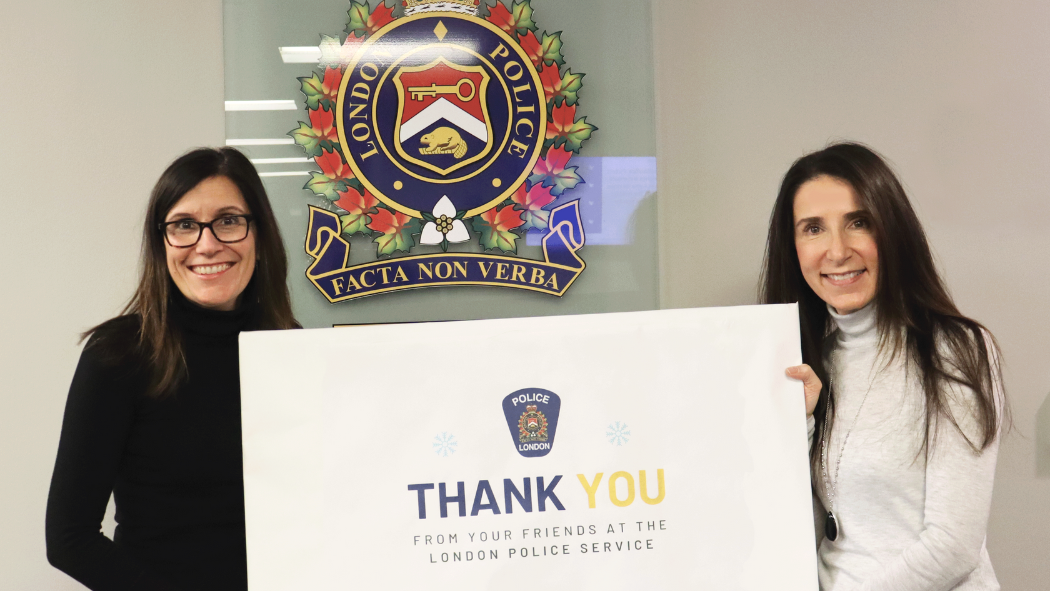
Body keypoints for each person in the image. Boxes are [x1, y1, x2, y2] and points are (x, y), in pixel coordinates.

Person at [46, 147, 298, 590]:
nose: (207, 243)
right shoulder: (120, 354)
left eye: (228, 220)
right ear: (162, 243)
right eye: (184, 225)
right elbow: (69, 539)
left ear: (259, 235)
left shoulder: (294, 349)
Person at [761, 142, 1007, 590]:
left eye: (858, 222)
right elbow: (814, 528)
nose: (836, 251)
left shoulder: (956, 349)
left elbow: (954, 547)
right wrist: (804, 423)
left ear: (892, 230)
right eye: (813, 229)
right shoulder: (809, 359)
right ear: (793, 247)